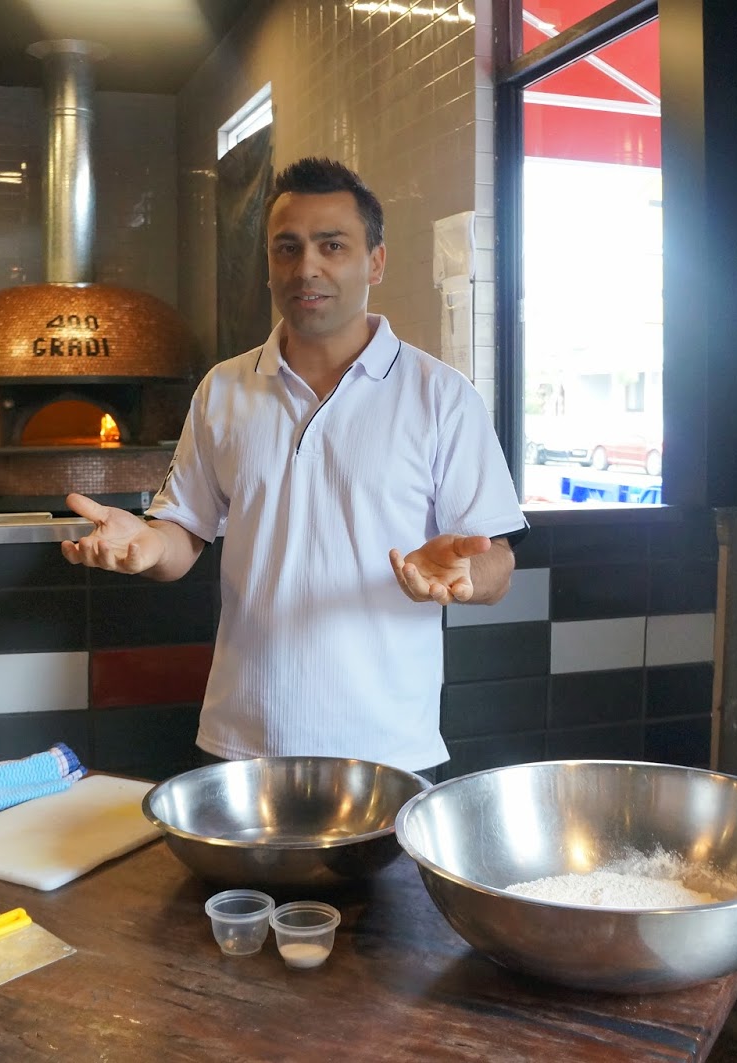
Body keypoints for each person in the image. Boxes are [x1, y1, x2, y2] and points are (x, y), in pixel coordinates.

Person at [61, 157, 526, 774]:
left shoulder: (440, 396)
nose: (307, 267)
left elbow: (499, 565)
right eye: (288, 248)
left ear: (376, 262)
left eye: (332, 245)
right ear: (270, 265)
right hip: (240, 740)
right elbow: (183, 538)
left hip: (386, 751)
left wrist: (465, 572)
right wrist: (147, 544)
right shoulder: (223, 390)